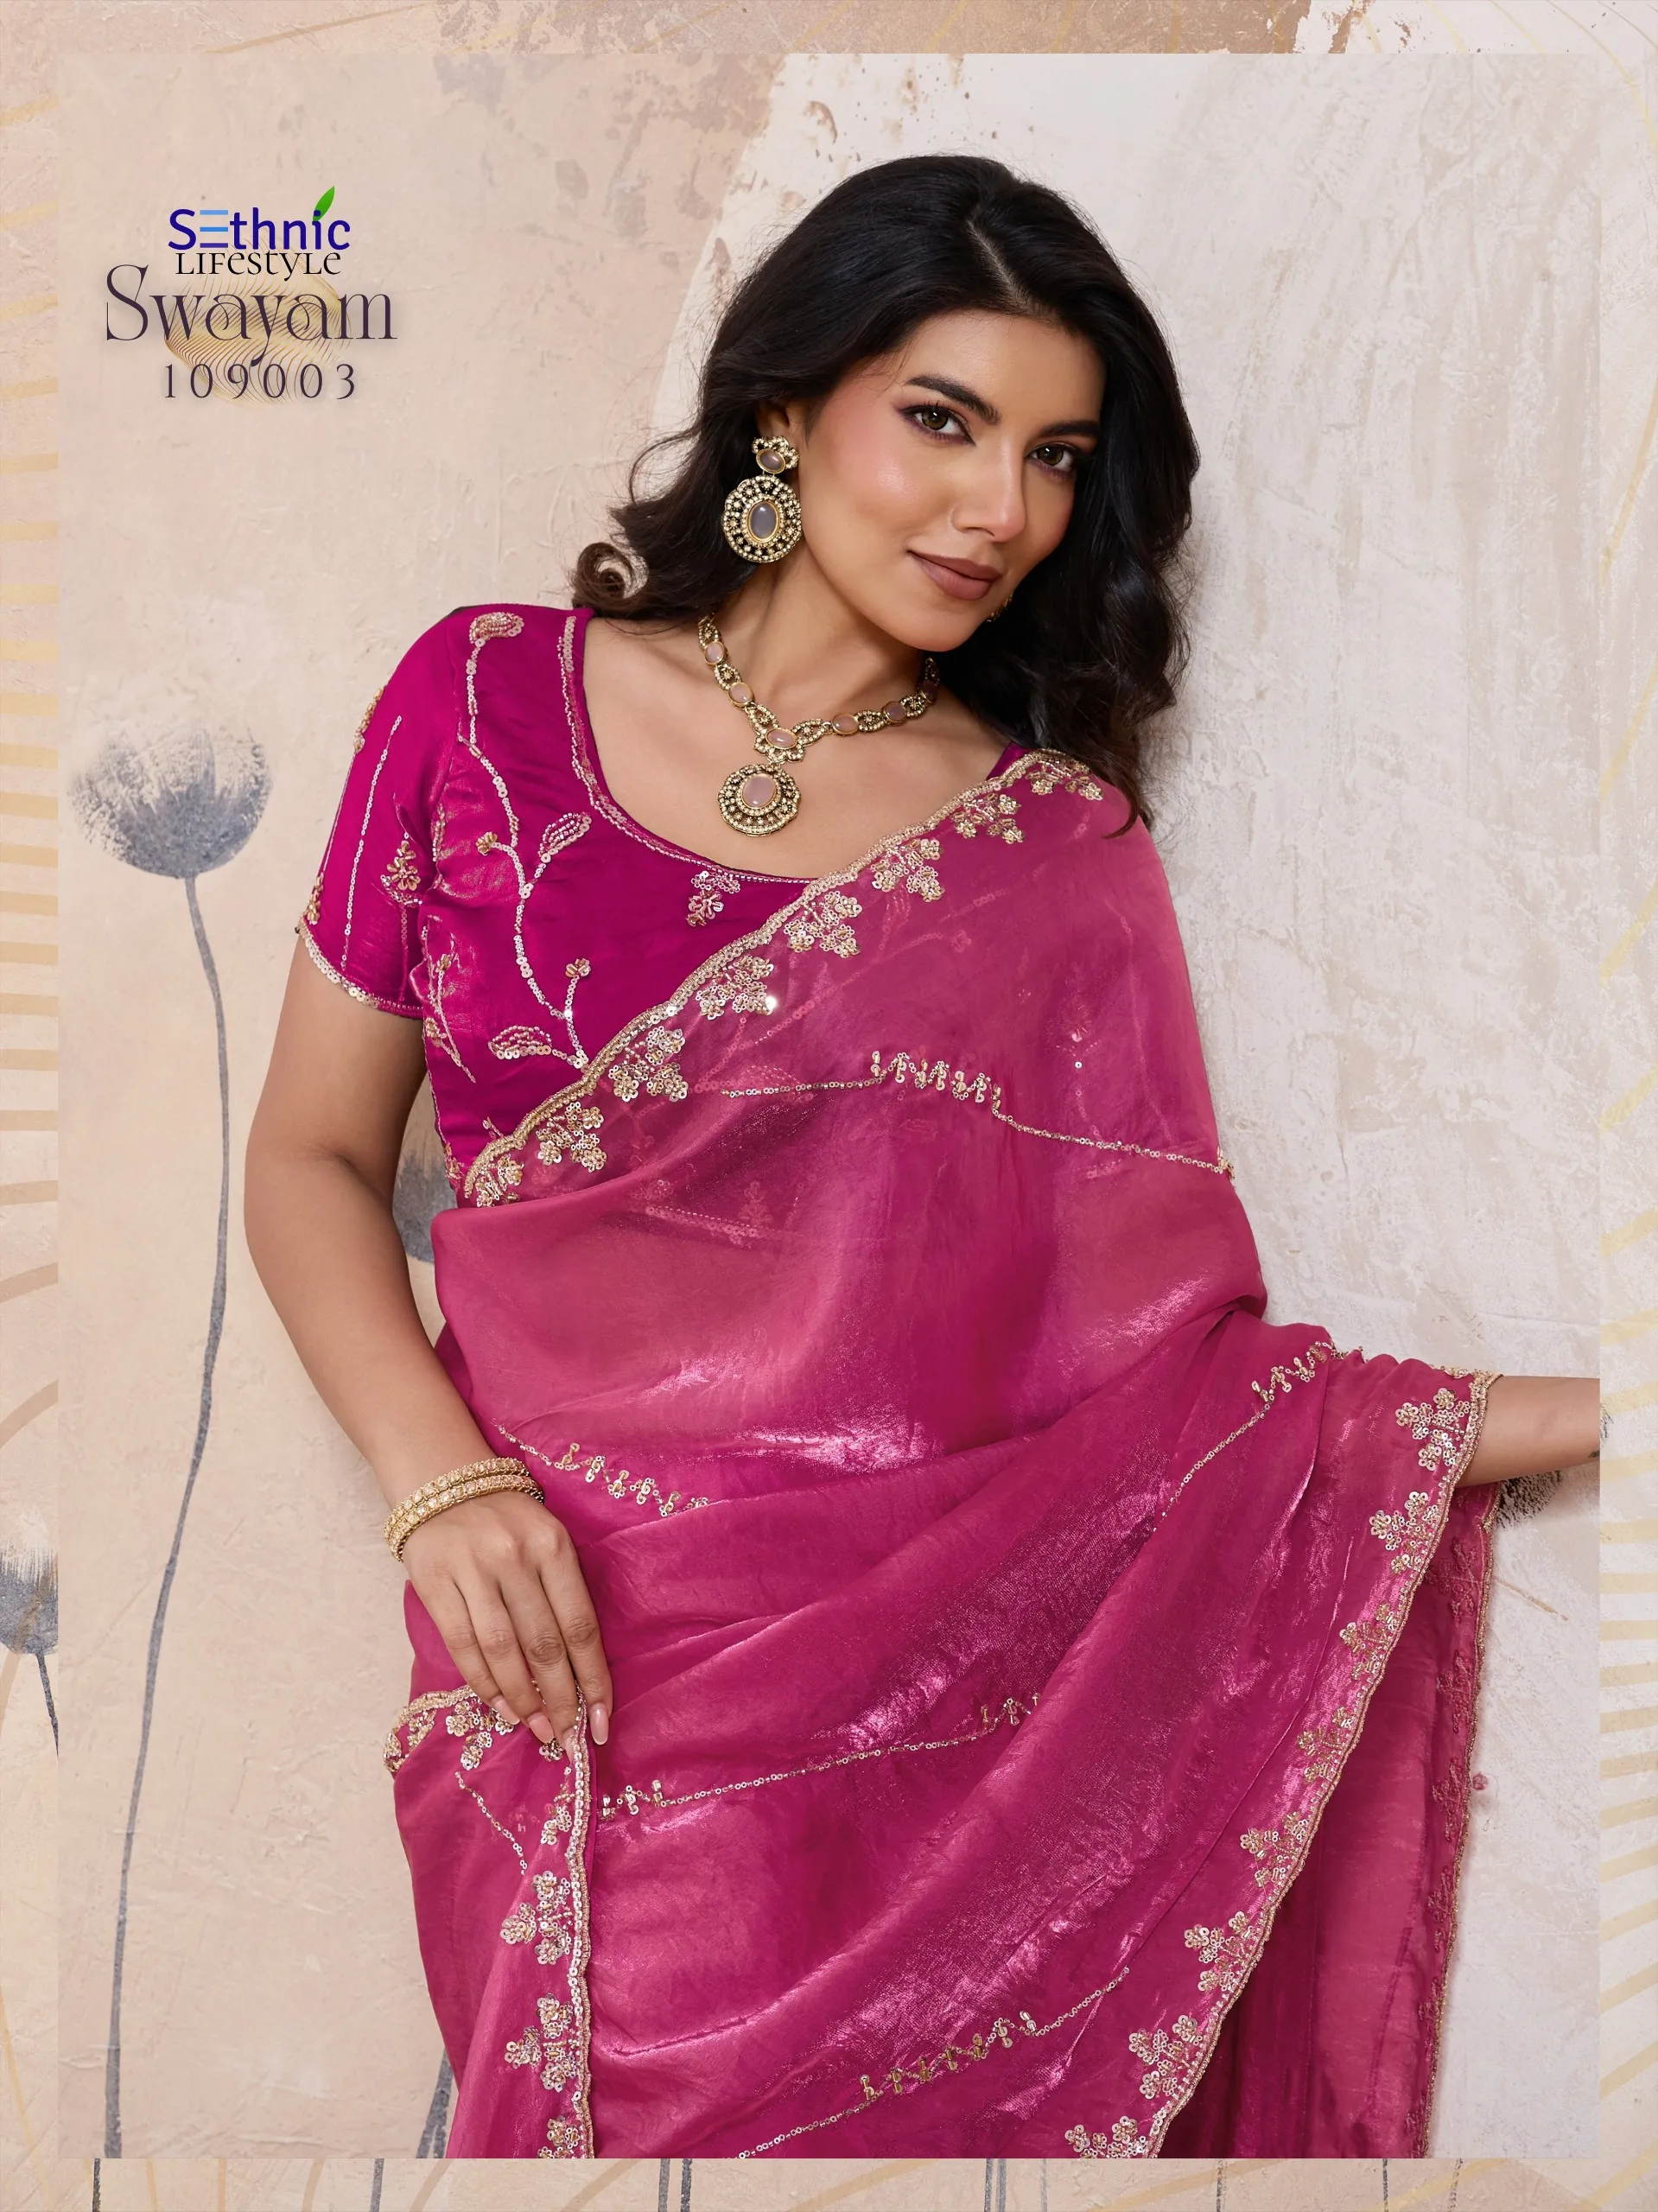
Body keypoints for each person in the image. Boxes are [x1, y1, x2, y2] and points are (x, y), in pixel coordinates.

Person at [245, 155, 1597, 2161]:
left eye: (1055, 458)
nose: (999, 509)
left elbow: (1148, 1396)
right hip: (564, 1670)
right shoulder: (480, 698)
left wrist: (1560, 1404)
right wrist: (435, 1477)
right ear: (786, 411)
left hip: (894, 1741)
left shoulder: (1048, 856)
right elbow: (305, 1155)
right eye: (943, 422)